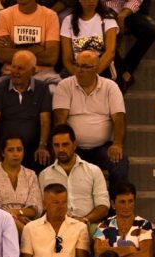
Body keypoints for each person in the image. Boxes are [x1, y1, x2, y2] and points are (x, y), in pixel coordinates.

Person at [52, 49, 127, 188]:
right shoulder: (65, 85)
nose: (80, 70)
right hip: (73, 146)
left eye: (86, 67)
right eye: (78, 65)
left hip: (103, 147)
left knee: (120, 164)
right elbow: (60, 121)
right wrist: (64, 146)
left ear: (96, 69)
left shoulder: (110, 87)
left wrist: (117, 144)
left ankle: (115, 201)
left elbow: (119, 118)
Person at [20, 182, 89, 257]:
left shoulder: (80, 227)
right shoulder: (30, 228)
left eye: (64, 202)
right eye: (56, 203)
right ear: (44, 204)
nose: (61, 207)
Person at [0, 50, 52, 172]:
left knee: (44, 159)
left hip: (32, 150)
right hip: (6, 150)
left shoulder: (42, 89)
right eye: (14, 67)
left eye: (20, 68)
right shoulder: (0, 89)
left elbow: (45, 121)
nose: (15, 72)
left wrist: (42, 146)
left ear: (33, 71)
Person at [38, 123, 109, 226]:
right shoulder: (44, 175)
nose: (61, 149)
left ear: (74, 145)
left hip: (87, 224)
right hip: (56, 226)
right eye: (56, 145)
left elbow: (103, 206)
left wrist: (84, 220)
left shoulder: (93, 171)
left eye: (65, 144)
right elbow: (42, 208)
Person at [93, 180, 155, 257]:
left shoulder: (144, 225)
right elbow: (98, 253)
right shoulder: (104, 226)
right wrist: (129, 250)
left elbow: (145, 256)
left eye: (130, 201)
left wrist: (110, 254)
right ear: (113, 204)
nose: (127, 206)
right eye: (122, 202)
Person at [0, 0, 61, 91]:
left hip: (44, 75)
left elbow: (51, 58)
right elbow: (2, 55)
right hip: (11, 75)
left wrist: (13, 50)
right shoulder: (4, 15)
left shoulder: (50, 15)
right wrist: (37, 49)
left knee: (55, 92)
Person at [0, 136, 44, 236]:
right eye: (10, 150)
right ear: (3, 153)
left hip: (26, 222)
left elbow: (36, 208)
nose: (15, 154)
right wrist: (12, 216)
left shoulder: (30, 175)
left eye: (19, 149)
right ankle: (32, 239)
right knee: (10, 221)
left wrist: (18, 212)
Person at [100, 0, 155, 93]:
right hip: (102, 10)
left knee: (149, 32)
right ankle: (124, 74)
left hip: (126, 10)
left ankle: (125, 72)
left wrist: (123, 15)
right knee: (104, 37)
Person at [60, 0, 118, 75]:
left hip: (101, 71)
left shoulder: (107, 19)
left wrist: (91, 76)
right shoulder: (68, 21)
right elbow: (67, 59)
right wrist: (78, 76)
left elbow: (110, 53)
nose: (91, 1)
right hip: (77, 70)